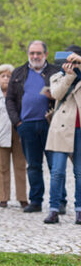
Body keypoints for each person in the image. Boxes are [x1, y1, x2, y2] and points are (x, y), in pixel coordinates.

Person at [5, 40, 63, 213]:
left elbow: (67, 95)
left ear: (45, 54)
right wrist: (18, 123)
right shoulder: (18, 73)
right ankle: (36, 200)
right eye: (32, 53)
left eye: (38, 53)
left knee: (56, 166)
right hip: (27, 126)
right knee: (33, 165)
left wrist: (55, 97)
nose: (35, 56)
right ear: (28, 54)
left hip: (51, 125)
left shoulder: (56, 72)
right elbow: (9, 100)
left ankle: (59, 202)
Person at [43, 47, 81, 224]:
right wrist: (69, 76)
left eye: (75, 61)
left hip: (79, 128)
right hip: (61, 129)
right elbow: (56, 94)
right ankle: (54, 209)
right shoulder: (57, 76)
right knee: (57, 172)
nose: (71, 65)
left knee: (79, 173)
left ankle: (79, 210)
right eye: (68, 61)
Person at [0, 64, 28, 208]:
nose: (6, 79)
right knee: (1, 167)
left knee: (20, 166)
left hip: (17, 132)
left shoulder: (19, 92)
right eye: (3, 76)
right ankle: (3, 198)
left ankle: (22, 197)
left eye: (9, 76)